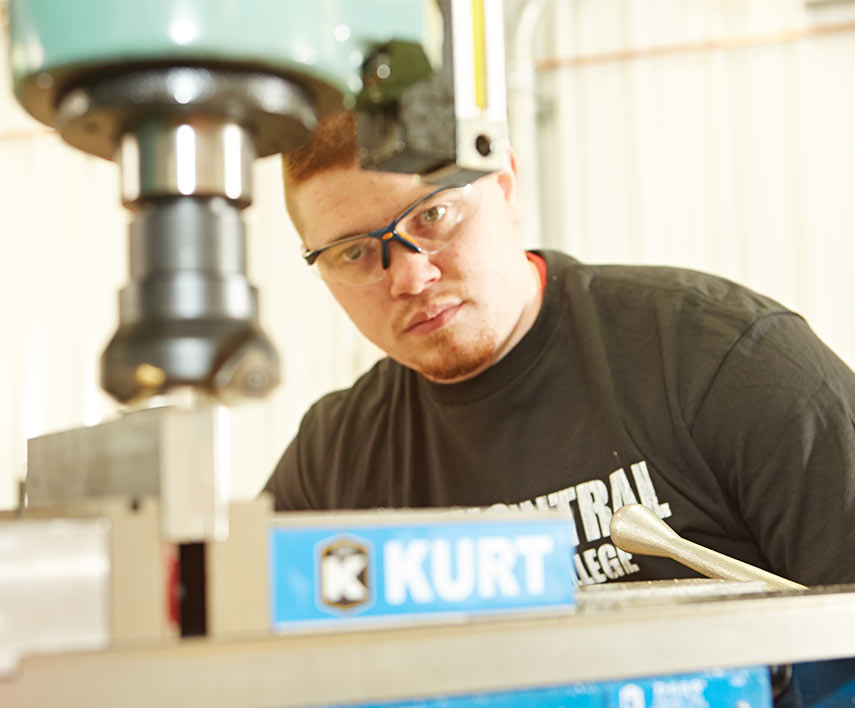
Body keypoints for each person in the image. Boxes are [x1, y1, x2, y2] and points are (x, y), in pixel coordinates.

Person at [264, 112, 855, 587]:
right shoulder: (333, 462)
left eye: (433, 215)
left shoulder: (726, 364)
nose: (410, 277)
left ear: (505, 184)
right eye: (353, 253)